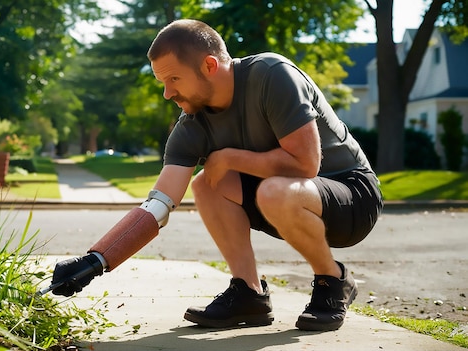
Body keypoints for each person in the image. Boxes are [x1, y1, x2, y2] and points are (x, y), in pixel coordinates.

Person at [50, 19, 383, 332]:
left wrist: (229, 157)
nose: (167, 93)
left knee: (269, 190)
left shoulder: (272, 75)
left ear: (210, 65)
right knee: (207, 185)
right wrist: (96, 261)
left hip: (352, 195)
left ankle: (332, 280)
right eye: (162, 83)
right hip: (286, 198)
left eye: (174, 80)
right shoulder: (193, 125)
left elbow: (306, 163)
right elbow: (158, 206)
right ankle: (249, 294)